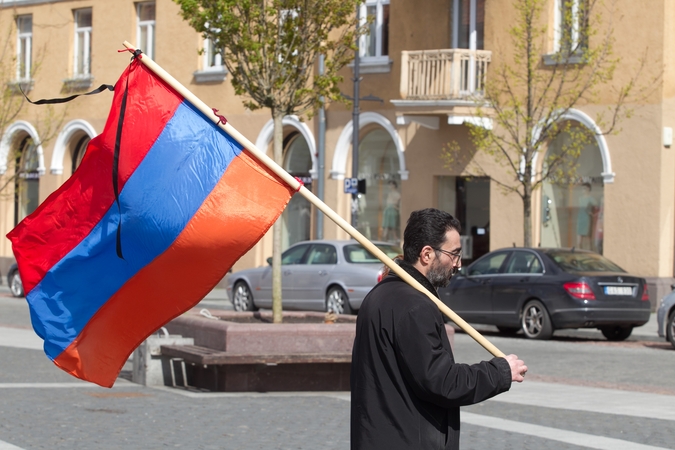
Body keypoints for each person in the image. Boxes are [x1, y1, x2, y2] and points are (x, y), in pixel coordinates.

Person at [350, 208, 527, 450]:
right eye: (453, 254)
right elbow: (442, 382)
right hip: (408, 439)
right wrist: (500, 373)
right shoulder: (414, 306)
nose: (458, 264)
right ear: (426, 254)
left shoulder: (379, 295)